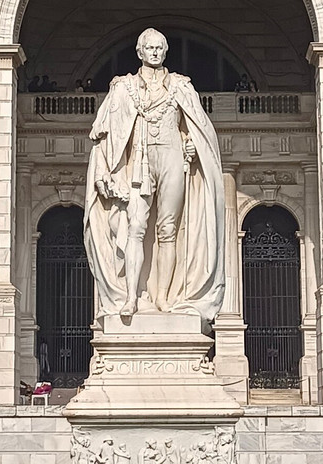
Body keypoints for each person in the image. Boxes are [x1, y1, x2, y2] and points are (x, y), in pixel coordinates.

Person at [84, 28, 226, 321]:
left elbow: (199, 128)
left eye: (160, 48)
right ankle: (131, 297)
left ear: (165, 51)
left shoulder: (181, 86)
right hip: (139, 161)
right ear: (139, 52)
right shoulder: (123, 88)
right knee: (135, 226)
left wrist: (191, 143)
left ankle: (163, 297)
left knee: (167, 229)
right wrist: (102, 172)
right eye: (150, 48)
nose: (155, 52)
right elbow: (103, 133)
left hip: (172, 158)